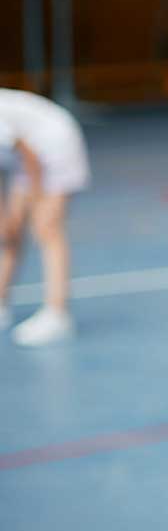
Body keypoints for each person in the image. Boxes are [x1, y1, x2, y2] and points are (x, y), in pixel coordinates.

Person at [0, 88, 90, 345]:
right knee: (11, 233)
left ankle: (57, 314)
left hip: (55, 144)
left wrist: (39, 199)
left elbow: (30, 155)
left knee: (47, 227)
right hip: (25, 160)